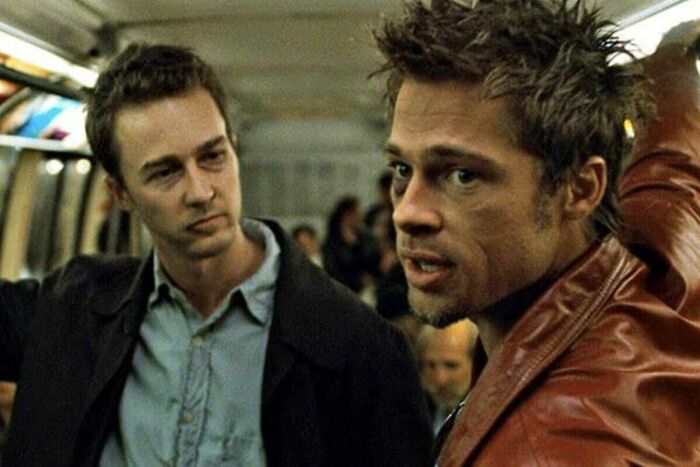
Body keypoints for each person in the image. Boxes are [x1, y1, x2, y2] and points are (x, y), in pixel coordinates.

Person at [0, 43, 433, 466]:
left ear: (233, 147)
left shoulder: (361, 347)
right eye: (165, 172)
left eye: (212, 157)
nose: (201, 191)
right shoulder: (73, 307)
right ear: (120, 193)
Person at [374, 0, 700, 465]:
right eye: (403, 169)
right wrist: (673, 57)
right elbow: (673, 167)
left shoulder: (551, 450)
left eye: (462, 176)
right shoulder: (664, 269)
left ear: (579, 188)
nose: (408, 213)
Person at [416, 321, 478, 435]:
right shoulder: (414, 413)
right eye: (431, 365)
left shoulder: (486, 418)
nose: (440, 379)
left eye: (451, 365)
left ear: (475, 364)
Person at [322, 196, 380, 293]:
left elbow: (371, 261)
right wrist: (357, 280)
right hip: (342, 289)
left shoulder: (364, 237)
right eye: (357, 212)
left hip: (365, 287)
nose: (361, 216)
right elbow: (332, 271)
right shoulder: (333, 241)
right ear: (347, 215)